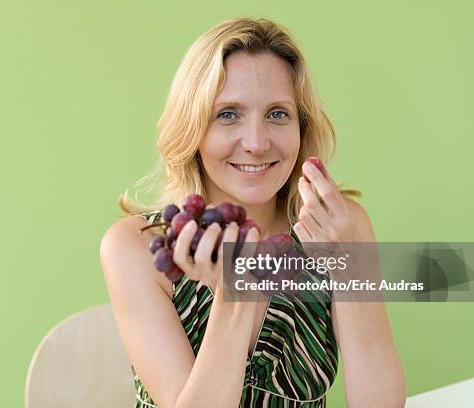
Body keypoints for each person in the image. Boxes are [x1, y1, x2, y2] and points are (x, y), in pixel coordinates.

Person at [100, 17, 406, 408]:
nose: (257, 143)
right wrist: (235, 294)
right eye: (228, 114)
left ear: (301, 126)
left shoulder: (341, 225)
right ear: (193, 128)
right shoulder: (136, 247)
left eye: (278, 114)